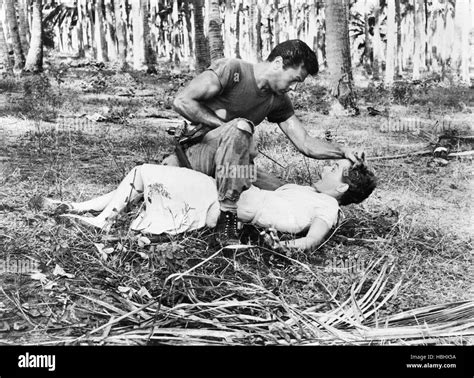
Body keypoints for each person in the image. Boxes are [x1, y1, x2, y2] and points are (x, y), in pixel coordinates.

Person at [163, 39, 365, 246]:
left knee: (286, 192)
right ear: (277, 63)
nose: (294, 88)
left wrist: (342, 151)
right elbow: (182, 101)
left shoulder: (278, 99)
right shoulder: (232, 70)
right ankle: (228, 217)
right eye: (294, 79)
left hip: (232, 169)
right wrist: (237, 130)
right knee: (241, 127)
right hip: (200, 155)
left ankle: (260, 228)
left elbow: (305, 142)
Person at [43, 159, 376, 251]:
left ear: (343, 187)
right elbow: (254, 175)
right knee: (145, 177)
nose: (327, 166)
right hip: (220, 192)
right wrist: (220, 164)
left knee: (143, 174)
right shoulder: (300, 188)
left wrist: (285, 247)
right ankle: (77, 205)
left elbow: (311, 240)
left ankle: (101, 219)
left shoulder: (328, 209)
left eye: (334, 169)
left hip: (218, 203)